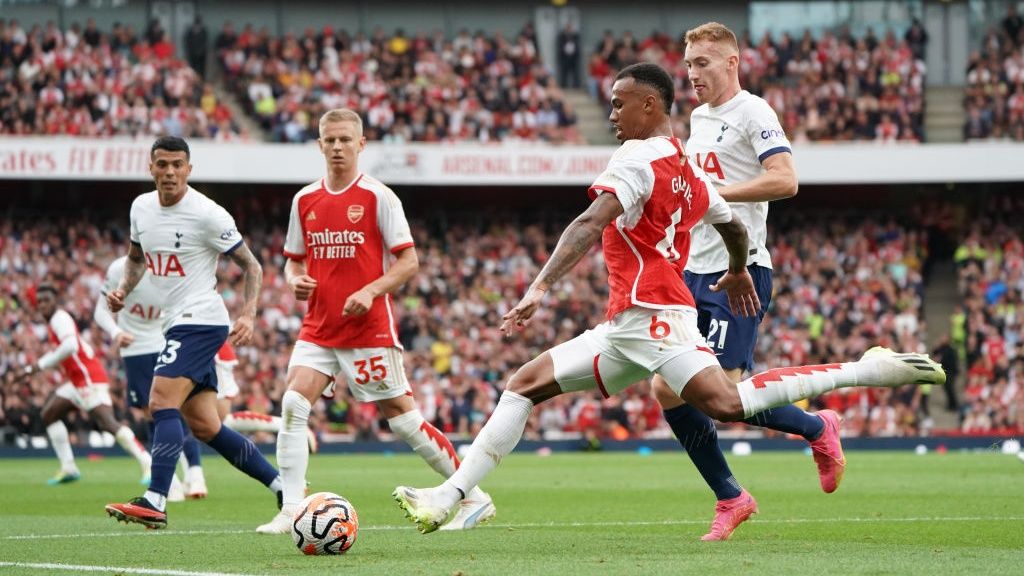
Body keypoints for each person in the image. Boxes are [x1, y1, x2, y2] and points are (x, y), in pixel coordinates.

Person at [392, 62, 945, 535]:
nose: (611, 114)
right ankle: (451, 497)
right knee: (524, 384)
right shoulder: (683, 165)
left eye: (619, 103)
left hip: (659, 318)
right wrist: (735, 269)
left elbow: (590, 221)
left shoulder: (636, 159)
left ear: (650, 105)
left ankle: (861, 372)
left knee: (726, 403)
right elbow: (730, 224)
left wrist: (540, 286)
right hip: (624, 326)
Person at [255, 108, 495, 534]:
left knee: (402, 418)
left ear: (361, 144)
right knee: (293, 402)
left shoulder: (378, 196)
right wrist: (295, 281)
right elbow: (292, 262)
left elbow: (409, 261)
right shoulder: (304, 200)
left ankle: (472, 495)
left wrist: (369, 290)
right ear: (319, 144)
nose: (337, 147)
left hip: (368, 329)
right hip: (318, 326)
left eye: (345, 139)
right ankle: (292, 508)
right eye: (329, 140)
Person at [648, 21, 844, 541]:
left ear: (731, 63)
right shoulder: (698, 116)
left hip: (740, 271)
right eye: (688, 65)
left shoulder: (754, 112)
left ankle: (815, 429)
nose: (693, 74)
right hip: (692, 272)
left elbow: (785, 179)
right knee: (668, 388)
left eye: (703, 63)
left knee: (716, 393)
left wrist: (716, 197)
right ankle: (732, 496)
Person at [104, 136, 283, 529]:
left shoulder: (207, 213)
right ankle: (282, 486)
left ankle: (155, 499)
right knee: (206, 426)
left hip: (201, 319)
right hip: (175, 322)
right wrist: (123, 291)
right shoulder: (141, 208)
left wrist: (249, 315)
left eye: (177, 165)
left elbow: (252, 266)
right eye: (162, 164)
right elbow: (136, 261)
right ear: (150, 167)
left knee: (161, 401)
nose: (169, 172)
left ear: (189, 168)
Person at [13, 283, 151, 485]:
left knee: (108, 423)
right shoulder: (55, 322)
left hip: (88, 378)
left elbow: (70, 346)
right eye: (39, 301)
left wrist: (37, 366)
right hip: (77, 380)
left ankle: (148, 462)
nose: (42, 305)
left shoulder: (60, 318)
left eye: (46, 301)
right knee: (48, 414)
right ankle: (68, 467)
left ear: (56, 302)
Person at [95, 255, 204, 501]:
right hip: (136, 348)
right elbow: (99, 311)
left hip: (168, 340)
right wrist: (116, 332)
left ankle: (195, 473)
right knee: (151, 413)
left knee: (181, 408)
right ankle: (172, 481)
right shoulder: (118, 268)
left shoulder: (172, 266)